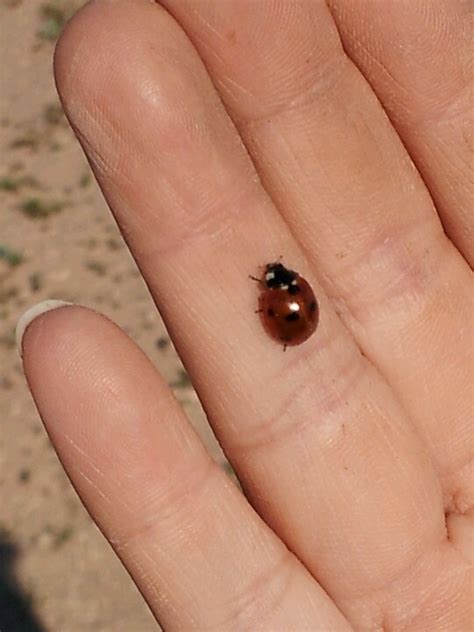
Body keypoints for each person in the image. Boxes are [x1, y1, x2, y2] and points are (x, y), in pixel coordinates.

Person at [17, 1, 472, 629]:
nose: (273, 284)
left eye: (272, 282)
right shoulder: (286, 295)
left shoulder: (280, 294)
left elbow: (283, 300)